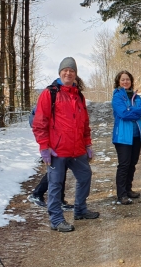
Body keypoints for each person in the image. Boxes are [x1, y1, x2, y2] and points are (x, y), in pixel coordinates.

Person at [32, 57, 99, 232]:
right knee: (55, 185)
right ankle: (56, 219)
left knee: (85, 176)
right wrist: (44, 147)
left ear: (75, 74)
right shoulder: (50, 94)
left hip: (77, 150)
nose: (68, 73)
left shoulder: (79, 96)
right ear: (60, 72)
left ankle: (80, 209)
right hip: (57, 150)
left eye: (72, 70)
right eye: (65, 70)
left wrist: (88, 145)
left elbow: (84, 123)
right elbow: (40, 122)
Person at [27, 78, 73, 210]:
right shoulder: (51, 95)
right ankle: (39, 194)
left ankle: (51, 197)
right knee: (57, 170)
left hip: (61, 140)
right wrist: (45, 143)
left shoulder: (62, 96)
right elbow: (38, 121)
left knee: (59, 169)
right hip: (53, 141)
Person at [111, 70, 141, 204]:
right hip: (122, 137)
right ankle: (121, 194)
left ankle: (128, 190)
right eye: (122, 79)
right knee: (124, 165)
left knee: (132, 163)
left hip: (136, 135)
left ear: (131, 81)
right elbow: (123, 114)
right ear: (118, 82)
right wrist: (136, 112)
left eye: (127, 79)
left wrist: (131, 110)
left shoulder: (135, 96)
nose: (125, 82)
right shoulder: (117, 97)